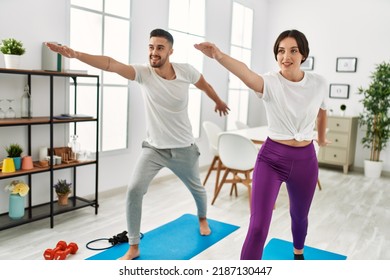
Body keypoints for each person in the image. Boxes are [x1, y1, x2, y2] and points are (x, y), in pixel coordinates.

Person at [46, 28, 229, 260]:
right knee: (134, 190)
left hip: (184, 147)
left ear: (170, 51)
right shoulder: (144, 73)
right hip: (153, 149)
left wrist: (219, 101)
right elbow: (110, 64)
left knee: (197, 189)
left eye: (160, 47)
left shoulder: (186, 71)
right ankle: (134, 246)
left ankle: (202, 218)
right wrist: (76, 54)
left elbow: (205, 86)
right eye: (151, 47)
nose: (154, 52)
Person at [195, 29, 329, 260]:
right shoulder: (269, 82)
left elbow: (323, 110)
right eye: (281, 51)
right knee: (258, 227)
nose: (286, 56)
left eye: (293, 51)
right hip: (272, 159)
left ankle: (298, 255)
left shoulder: (318, 83)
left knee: (299, 216)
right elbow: (245, 73)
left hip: (305, 160)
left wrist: (322, 137)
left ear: (303, 55)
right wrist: (218, 55)